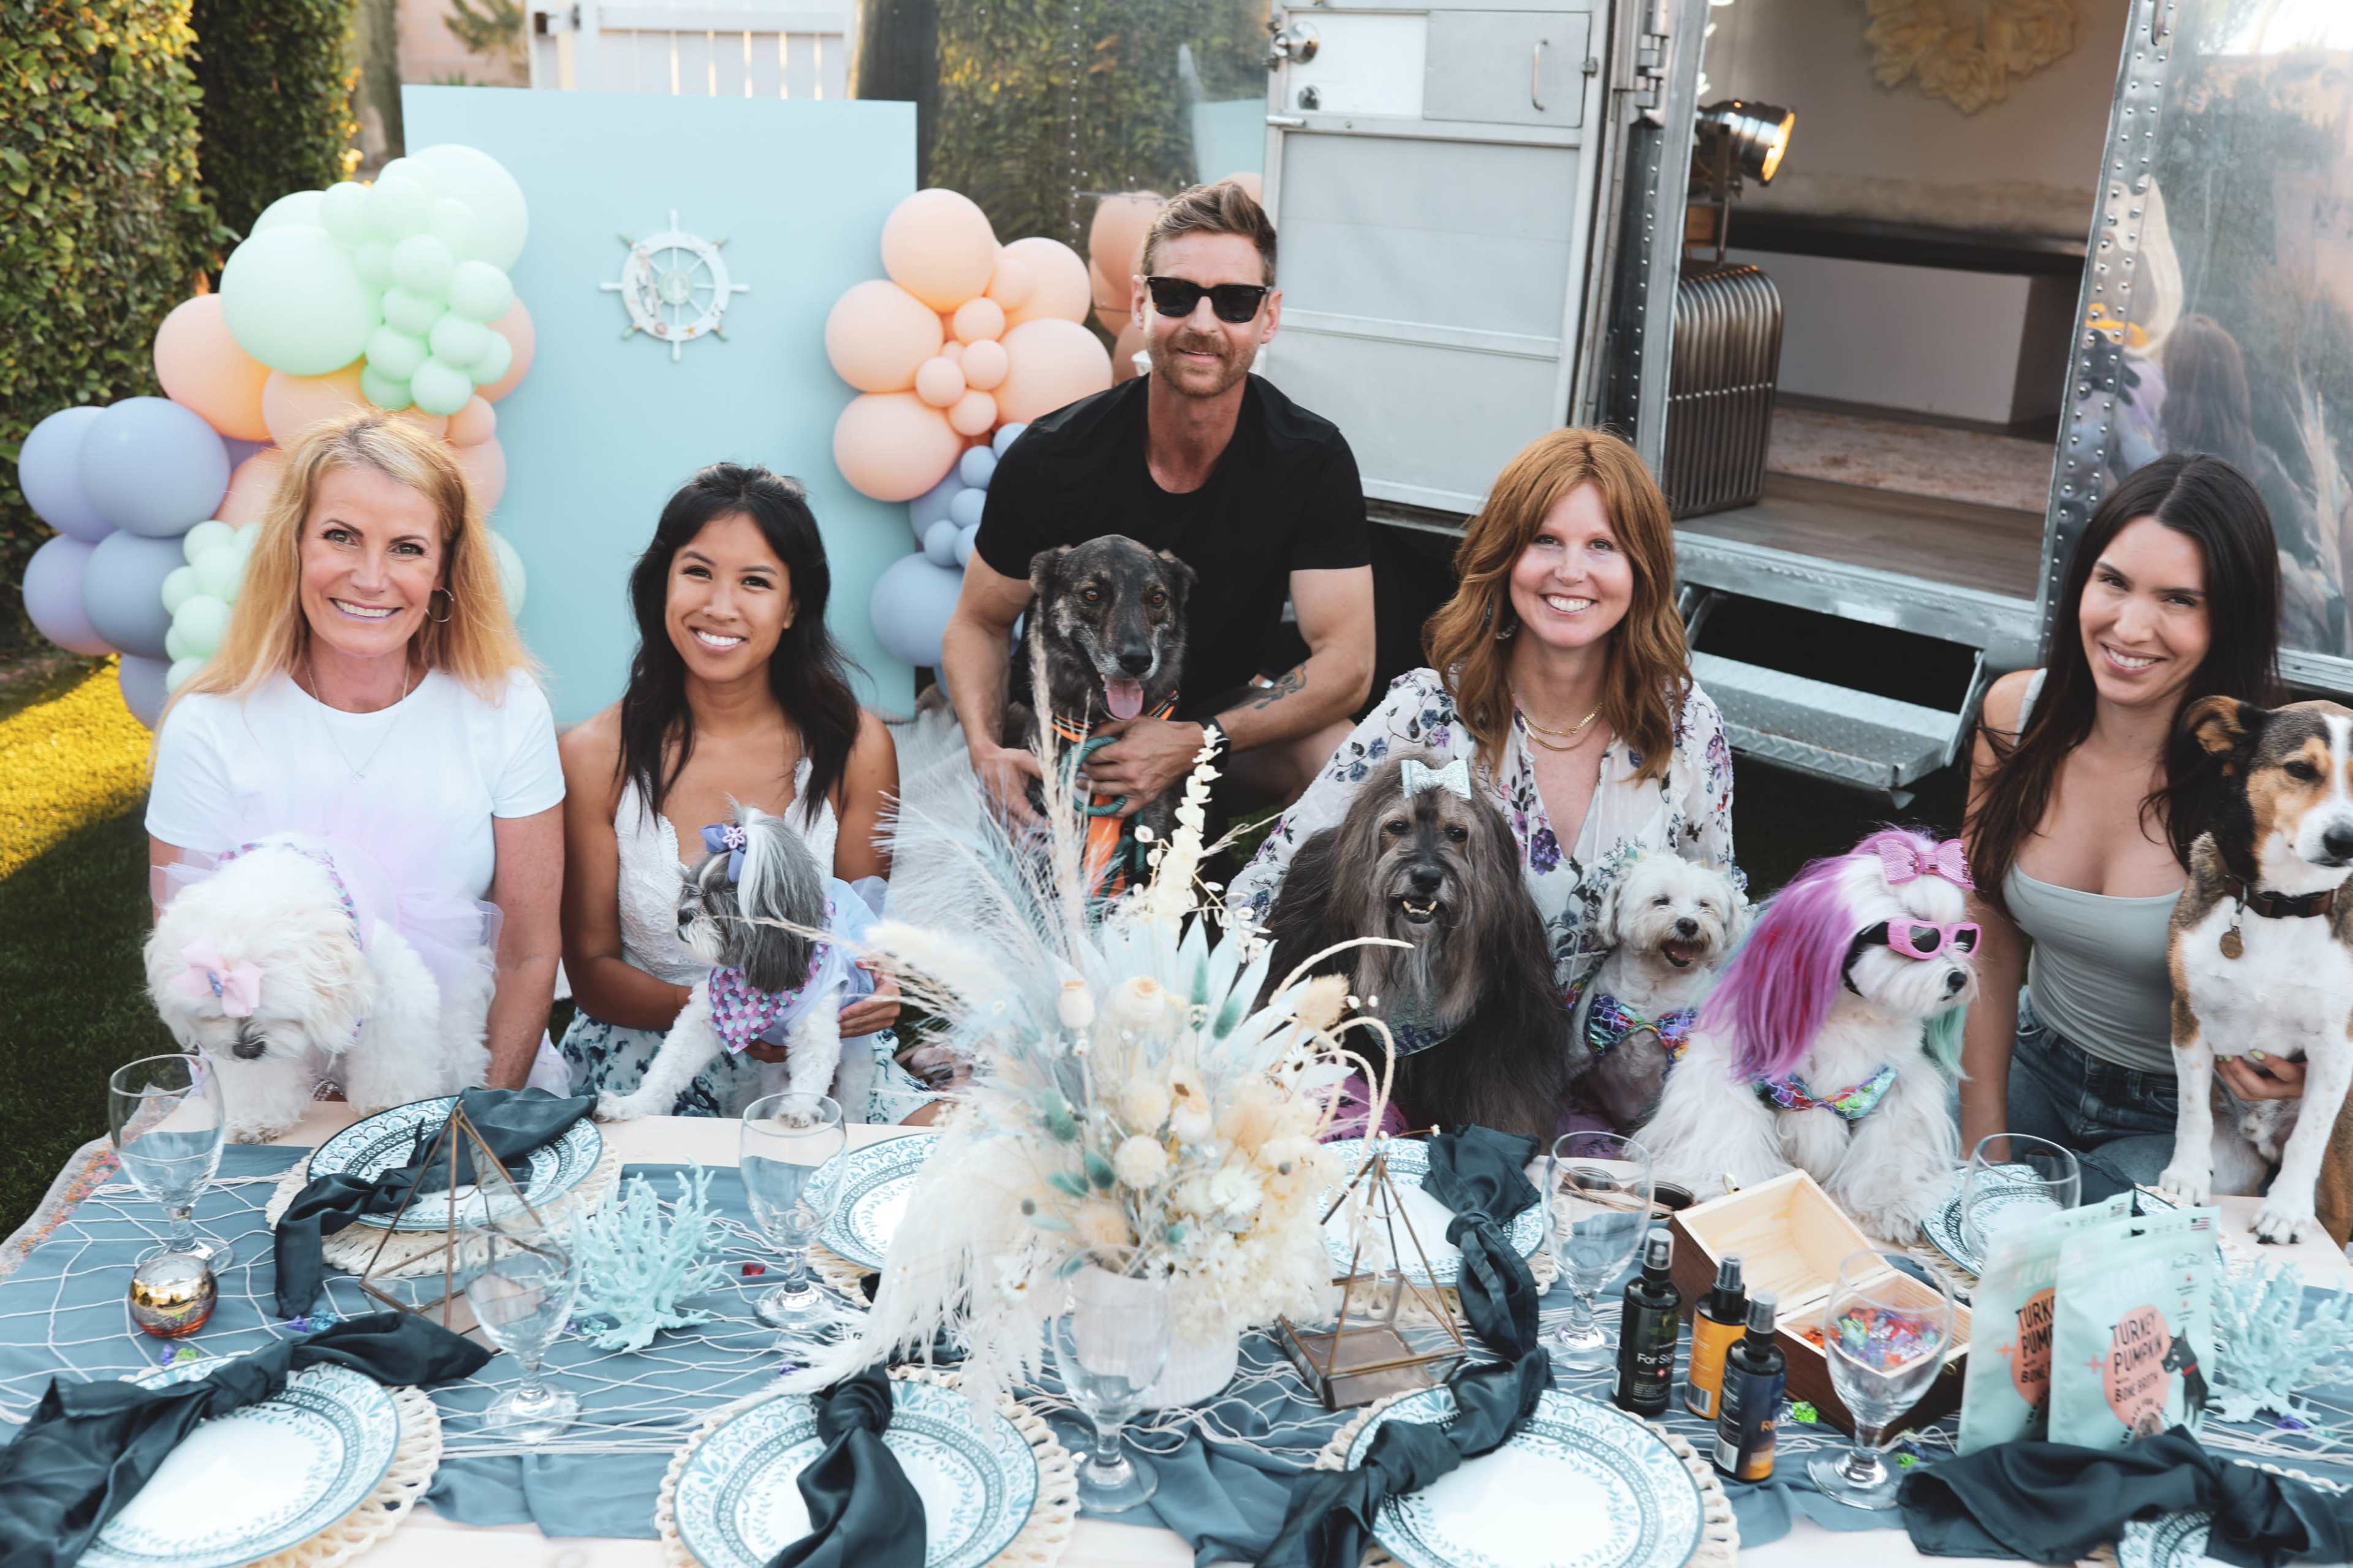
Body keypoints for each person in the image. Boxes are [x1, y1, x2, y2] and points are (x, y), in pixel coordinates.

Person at [1230, 426, 1735, 997]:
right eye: (1545, 540)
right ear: (1504, 555)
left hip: (1620, 1058)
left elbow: (1719, 910)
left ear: (1642, 568)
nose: (1570, 571)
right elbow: (1267, 885)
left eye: (1603, 545)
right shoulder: (1428, 712)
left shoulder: (1686, 724)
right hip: (1444, 1057)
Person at [147, 411, 564, 1090]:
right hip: (267, 1096)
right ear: (293, 546)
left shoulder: (506, 708)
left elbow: (526, 952)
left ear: (443, 569)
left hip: (469, 1080)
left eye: (407, 547)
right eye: (341, 537)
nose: (371, 579)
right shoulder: (207, 724)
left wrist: (487, 1115)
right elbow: (194, 965)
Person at [942, 180, 1374, 822]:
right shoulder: (1053, 455)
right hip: (1063, 732)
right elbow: (978, 622)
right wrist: (984, 749)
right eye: (1177, 296)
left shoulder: (1310, 458)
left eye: (1234, 302)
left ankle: (1273, 910)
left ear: (1269, 316)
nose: (1204, 325)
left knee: (1338, 753)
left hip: (1208, 733)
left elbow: (1349, 663)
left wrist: (1196, 740)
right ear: (1142, 302)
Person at [556, 463, 937, 1123]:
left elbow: (860, 933)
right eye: (698, 572)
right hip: (649, 1062)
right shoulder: (594, 755)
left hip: (810, 1063)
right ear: (662, 584)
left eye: (755, 582)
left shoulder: (855, 747)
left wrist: (877, 986)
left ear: (793, 607)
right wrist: (730, 1016)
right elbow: (590, 969)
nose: (720, 606)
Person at [1963, 453, 2285, 1197]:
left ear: (2228, 619)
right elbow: (1990, 928)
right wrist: (1983, 1144)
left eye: (2179, 599)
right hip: (2029, 1061)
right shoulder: (2016, 716)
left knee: (2071, 1285)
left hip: (2182, 1118)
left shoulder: (2273, 781)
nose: (2131, 626)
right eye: (2113, 582)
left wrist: (2296, 1063)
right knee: (1905, 1214)